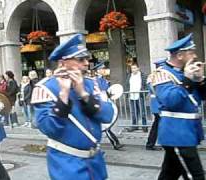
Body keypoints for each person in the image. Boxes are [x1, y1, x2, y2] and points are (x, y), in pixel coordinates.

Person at [31, 34, 117, 180]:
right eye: (80, 59)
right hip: (67, 163)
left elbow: (107, 115)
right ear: (62, 62)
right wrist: (64, 94)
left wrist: (83, 94)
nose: (86, 62)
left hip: (95, 162)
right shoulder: (45, 88)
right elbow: (49, 128)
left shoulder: (90, 83)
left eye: (87, 58)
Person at [149, 33, 205, 179]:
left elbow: (202, 97)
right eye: (191, 52)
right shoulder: (162, 74)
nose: (194, 56)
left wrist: (200, 80)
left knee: (169, 174)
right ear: (180, 55)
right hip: (177, 133)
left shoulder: (185, 71)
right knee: (196, 176)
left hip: (187, 131)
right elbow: (171, 101)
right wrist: (187, 80)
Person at [93, 62, 124, 150]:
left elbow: (107, 92)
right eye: (102, 69)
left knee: (105, 127)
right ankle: (115, 143)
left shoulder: (104, 80)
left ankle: (115, 143)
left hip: (104, 104)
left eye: (104, 69)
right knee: (104, 127)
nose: (104, 70)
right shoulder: (95, 80)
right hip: (99, 105)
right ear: (98, 71)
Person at [145, 59, 166, 151]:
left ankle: (151, 143)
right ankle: (151, 144)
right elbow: (155, 90)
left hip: (155, 103)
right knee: (158, 124)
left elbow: (151, 88)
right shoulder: (160, 76)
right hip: (159, 102)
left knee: (157, 124)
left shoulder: (151, 76)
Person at [125, 63, 148, 132]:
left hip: (140, 96)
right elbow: (127, 85)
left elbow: (146, 85)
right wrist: (127, 94)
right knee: (133, 112)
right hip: (132, 96)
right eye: (132, 68)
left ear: (138, 68)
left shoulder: (143, 76)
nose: (133, 70)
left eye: (135, 68)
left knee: (143, 112)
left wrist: (144, 94)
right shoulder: (129, 76)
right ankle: (134, 126)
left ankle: (145, 126)